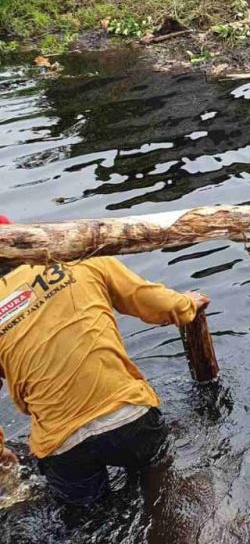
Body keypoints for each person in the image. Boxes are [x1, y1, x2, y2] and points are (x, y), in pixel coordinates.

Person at [0, 216, 209, 504]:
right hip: (127, 416)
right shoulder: (80, 256)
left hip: (61, 445)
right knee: (163, 495)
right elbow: (151, 301)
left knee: (89, 519)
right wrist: (188, 303)